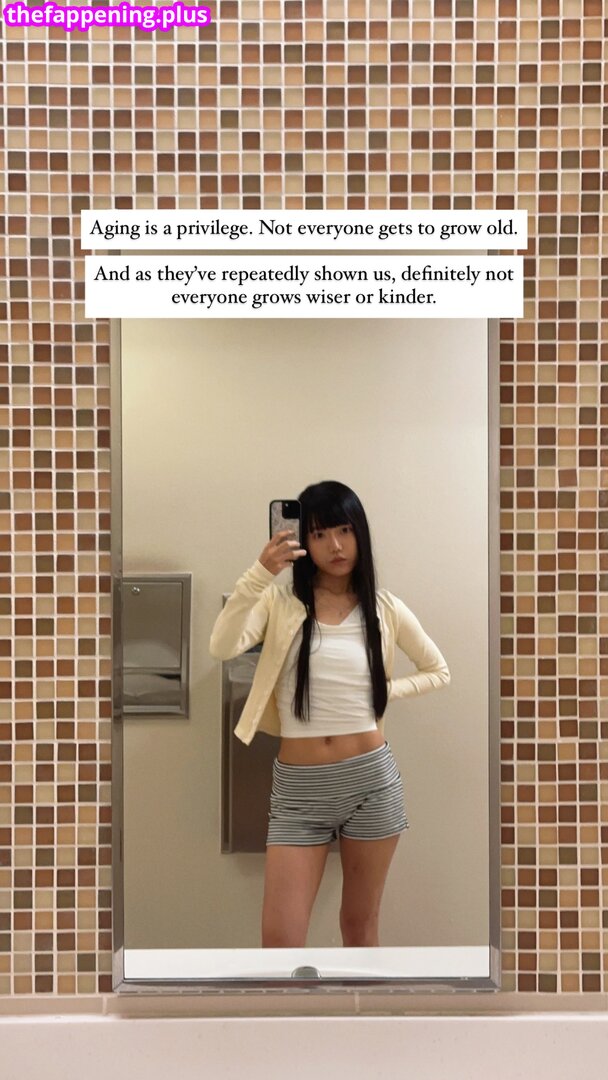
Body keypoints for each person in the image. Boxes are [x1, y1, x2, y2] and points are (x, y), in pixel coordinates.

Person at [209, 480, 450, 948]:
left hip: (370, 782)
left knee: (359, 929)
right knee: (280, 941)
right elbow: (222, 645)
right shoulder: (279, 603)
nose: (335, 545)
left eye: (344, 530)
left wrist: (384, 691)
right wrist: (260, 574)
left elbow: (438, 670)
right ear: (304, 540)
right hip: (299, 788)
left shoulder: (384, 608)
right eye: (319, 534)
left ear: (360, 532)